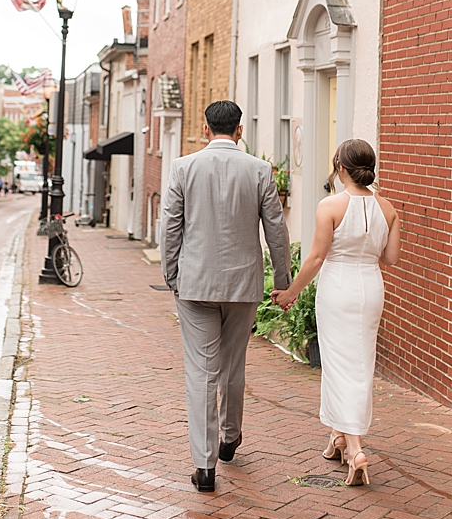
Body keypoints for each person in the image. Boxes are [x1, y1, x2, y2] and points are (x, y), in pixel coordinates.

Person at [162, 100, 289, 493]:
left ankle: (205, 466)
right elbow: (277, 230)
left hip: (195, 284)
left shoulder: (184, 167)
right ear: (239, 130)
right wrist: (282, 279)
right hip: (242, 284)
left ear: (206, 129)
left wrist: (171, 273)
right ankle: (230, 437)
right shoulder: (259, 170)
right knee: (234, 364)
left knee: (201, 372)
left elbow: (170, 225)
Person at [272, 139, 402, 486]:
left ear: (341, 168)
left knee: (339, 364)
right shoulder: (388, 208)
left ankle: (356, 447)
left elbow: (315, 258)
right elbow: (390, 259)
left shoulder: (329, 206)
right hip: (371, 287)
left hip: (337, 288)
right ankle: (338, 437)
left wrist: (290, 293)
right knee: (358, 363)